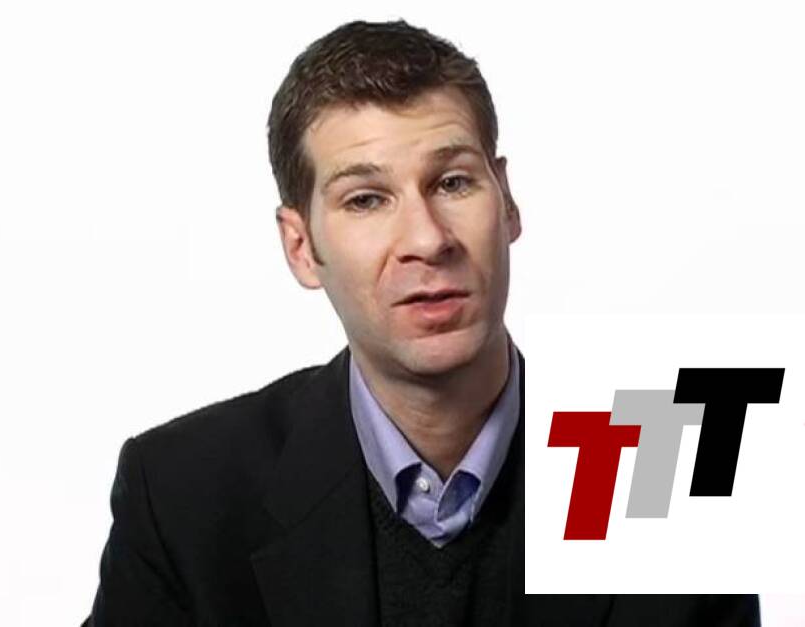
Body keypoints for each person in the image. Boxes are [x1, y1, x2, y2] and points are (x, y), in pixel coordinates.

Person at [84, 19, 760, 626]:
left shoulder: (669, 463)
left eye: (453, 183)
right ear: (301, 246)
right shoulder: (181, 494)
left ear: (507, 202)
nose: (427, 239)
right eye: (366, 199)